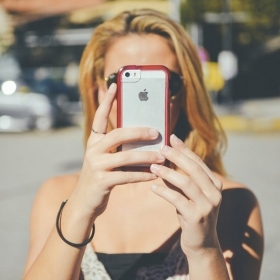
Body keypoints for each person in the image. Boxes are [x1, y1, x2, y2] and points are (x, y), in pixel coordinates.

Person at [22, 9, 264, 280]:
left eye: (164, 82)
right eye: (122, 81)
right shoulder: (57, 195)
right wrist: (78, 211)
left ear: (185, 93)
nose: (144, 99)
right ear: (99, 91)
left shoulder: (226, 201)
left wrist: (205, 250)